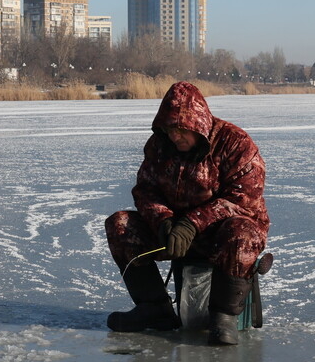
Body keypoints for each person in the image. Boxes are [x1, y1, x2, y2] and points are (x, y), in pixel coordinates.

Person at [105, 81, 270, 345]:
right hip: (173, 233)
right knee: (120, 224)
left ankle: (223, 317)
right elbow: (145, 190)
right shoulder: (158, 146)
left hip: (220, 235)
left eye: (182, 130)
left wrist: (192, 223)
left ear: (199, 126)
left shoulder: (235, 143)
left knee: (243, 232)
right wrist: (164, 221)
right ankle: (154, 309)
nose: (175, 136)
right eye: (170, 129)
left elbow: (244, 198)